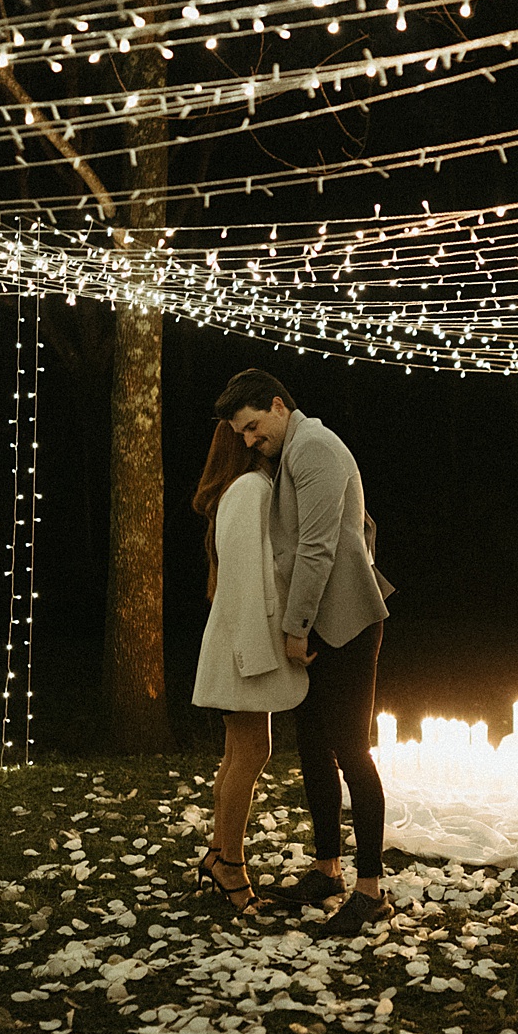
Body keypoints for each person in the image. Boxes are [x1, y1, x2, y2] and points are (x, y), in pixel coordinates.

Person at [215, 368, 397, 938]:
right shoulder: (296, 448)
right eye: (241, 434)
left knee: (351, 750)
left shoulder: (313, 448)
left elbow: (316, 549)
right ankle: (327, 870)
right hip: (319, 623)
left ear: (277, 404)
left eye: (251, 428)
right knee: (314, 748)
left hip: (341, 626)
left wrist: (297, 629)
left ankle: (370, 890)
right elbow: (360, 527)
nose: (248, 441)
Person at [189, 420, 309, 916]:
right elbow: (244, 581)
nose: (259, 440)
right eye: (248, 435)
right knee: (251, 753)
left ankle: (218, 852)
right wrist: (258, 652)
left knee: (239, 752)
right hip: (244, 642)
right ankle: (231, 865)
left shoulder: (249, 490)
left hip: (241, 639)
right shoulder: (250, 490)